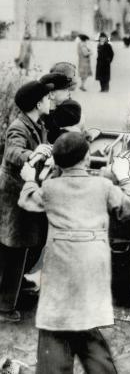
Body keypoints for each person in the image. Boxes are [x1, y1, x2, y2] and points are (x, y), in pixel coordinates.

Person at [18, 131, 130, 374]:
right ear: (87, 159)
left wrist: (30, 179)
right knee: (86, 324)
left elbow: (26, 201)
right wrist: (124, 176)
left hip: (61, 270)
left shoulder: (51, 188)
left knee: (55, 324)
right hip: (92, 270)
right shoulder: (104, 186)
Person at [0, 81, 53, 322]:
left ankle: (17, 286)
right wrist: (33, 155)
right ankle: (4, 307)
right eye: (47, 97)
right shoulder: (18, 127)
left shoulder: (36, 124)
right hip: (15, 200)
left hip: (26, 194)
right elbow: (12, 152)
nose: (50, 100)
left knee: (34, 242)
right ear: (38, 103)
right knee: (15, 250)